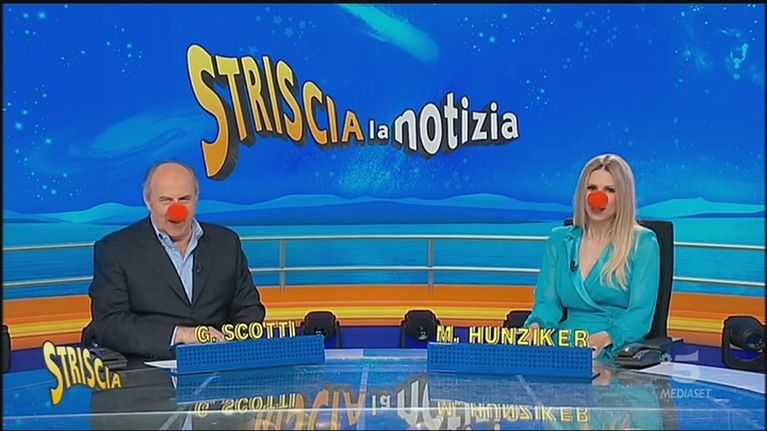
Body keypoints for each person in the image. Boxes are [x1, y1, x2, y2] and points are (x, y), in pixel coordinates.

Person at [85, 161, 266, 359]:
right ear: (148, 200)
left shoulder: (226, 243)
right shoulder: (116, 250)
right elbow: (110, 324)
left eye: (184, 199)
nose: (176, 211)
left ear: (196, 197)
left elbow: (249, 310)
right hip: (149, 366)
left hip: (218, 361)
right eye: (166, 200)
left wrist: (232, 350)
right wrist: (180, 335)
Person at [524, 153, 660, 360]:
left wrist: (606, 337)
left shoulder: (643, 243)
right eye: (591, 188)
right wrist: (537, 325)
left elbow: (640, 314)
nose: (598, 198)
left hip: (614, 348)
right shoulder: (558, 240)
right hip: (564, 345)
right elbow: (547, 303)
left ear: (622, 197)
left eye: (610, 190)